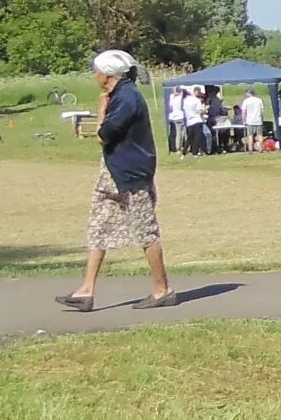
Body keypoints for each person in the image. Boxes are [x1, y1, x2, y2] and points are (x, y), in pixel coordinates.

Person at [55, 51, 176, 313]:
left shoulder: (127, 98)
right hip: (111, 171)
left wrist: (101, 109)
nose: (94, 74)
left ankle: (162, 289)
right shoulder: (121, 94)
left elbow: (103, 136)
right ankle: (86, 290)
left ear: (107, 75)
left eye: (96, 70)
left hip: (132, 174)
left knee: (145, 230)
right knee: (98, 227)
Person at [239, 86, 265, 153]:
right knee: (260, 135)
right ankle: (261, 148)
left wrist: (244, 120)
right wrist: (262, 118)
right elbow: (262, 111)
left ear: (248, 93)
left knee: (250, 135)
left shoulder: (246, 101)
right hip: (258, 119)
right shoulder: (259, 100)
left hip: (250, 120)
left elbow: (244, 112)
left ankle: (250, 149)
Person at [165, 85, 185, 153]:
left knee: (177, 133)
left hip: (174, 117)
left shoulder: (172, 98)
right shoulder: (180, 98)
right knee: (182, 133)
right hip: (181, 116)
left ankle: (177, 148)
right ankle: (181, 147)